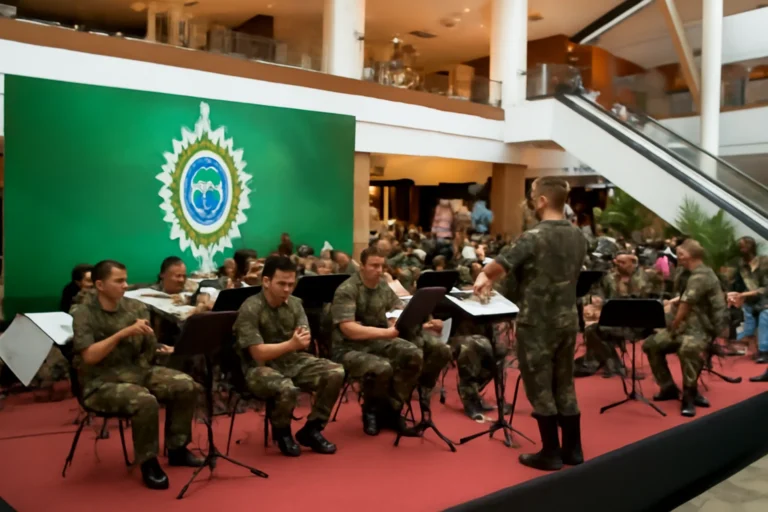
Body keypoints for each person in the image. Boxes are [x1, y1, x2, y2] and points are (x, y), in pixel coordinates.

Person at [474, 176, 587, 471]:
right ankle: (573, 449)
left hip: (537, 324)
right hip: (567, 320)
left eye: (533, 195)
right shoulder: (579, 236)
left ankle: (550, 452)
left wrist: (484, 275)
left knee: (539, 387)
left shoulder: (534, 236)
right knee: (565, 383)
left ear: (542, 201)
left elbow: (500, 264)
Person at [71, 260, 202, 490]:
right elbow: (89, 356)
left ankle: (177, 449)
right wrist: (122, 334)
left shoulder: (136, 308)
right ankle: (148, 462)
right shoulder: (83, 313)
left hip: (137, 372)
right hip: (101, 382)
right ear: (100, 285)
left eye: (125, 279)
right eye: (119, 281)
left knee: (186, 385)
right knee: (144, 401)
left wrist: (154, 357)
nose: (125, 285)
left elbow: (148, 349)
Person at [233, 255, 343, 456]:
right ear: (266, 281)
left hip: (291, 360)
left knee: (335, 372)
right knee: (286, 388)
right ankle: (282, 431)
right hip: (257, 368)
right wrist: (291, 344)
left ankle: (313, 428)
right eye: (281, 283)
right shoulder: (250, 308)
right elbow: (258, 353)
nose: (286, 289)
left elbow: (304, 339)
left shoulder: (294, 304)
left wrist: (294, 345)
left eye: (291, 284)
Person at [330, 246, 424, 436]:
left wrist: (394, 319)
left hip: (376, 340)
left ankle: (392, 409)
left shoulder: (382, 285)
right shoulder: (347, 289)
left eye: (381, 266)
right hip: (348, 347)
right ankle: (371, 411)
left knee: (414, 354)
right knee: (382, 367)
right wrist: (386, 333)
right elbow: (348, 329)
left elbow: (397, 306)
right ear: (362, 266)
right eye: (374, 266)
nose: (379, 270)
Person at [643, 240, 727, 416]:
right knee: (651, 345)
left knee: (688, 349)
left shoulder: (702, 275)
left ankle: (689, 394)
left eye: (680, 253)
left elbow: (686, 303)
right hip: (683, 325)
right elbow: (679, 296)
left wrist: (673, 325)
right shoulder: (683, 271)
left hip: (701, 328)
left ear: (691, 256)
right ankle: (668, 388)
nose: (677, 256)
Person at [575, 251, 652, 378]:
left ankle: (607, 364)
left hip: (639, 321)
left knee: (601, 330)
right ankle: (614, 365)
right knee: (591, 330)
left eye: (623, 262)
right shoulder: (609, 277)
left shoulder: (644, 277)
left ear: (633, 263)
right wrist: (595, 301)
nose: (618, 265)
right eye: (617, 262)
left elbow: (644, 299)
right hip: (614, 319)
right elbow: (598, 293)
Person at [728, 237, 768, 366]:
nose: (741, 249)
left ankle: (763, 351)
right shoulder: (741, 265)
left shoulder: (764, 262)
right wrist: (734, 295)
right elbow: (737, 285)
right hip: (751, 301)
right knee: (746, 315)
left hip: (765, 299)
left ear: (751, 247)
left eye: (743, 246)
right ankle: (740, 343)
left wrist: (744, 294)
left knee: (764, 316)